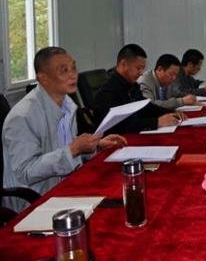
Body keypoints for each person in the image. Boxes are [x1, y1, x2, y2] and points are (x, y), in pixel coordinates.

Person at [2, 47, 127, 212]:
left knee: (124, 194)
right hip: (34, 201)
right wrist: (73, 149)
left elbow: (62, 149)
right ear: (43, 78)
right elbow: (26, 172)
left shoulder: (67, 105)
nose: (73, 75)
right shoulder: (22, 116)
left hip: (66, 185)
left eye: (73, 68)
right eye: (64, 71)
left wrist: (95, 145)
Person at [92, 44, 182, 134]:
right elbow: (119, 127)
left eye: (143, 69)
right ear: (123, 64)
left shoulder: (132, 85)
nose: (141, 73)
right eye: (138, 68)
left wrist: (169, 112)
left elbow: (144, 107)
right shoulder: (109, 91)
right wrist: (157, 122)